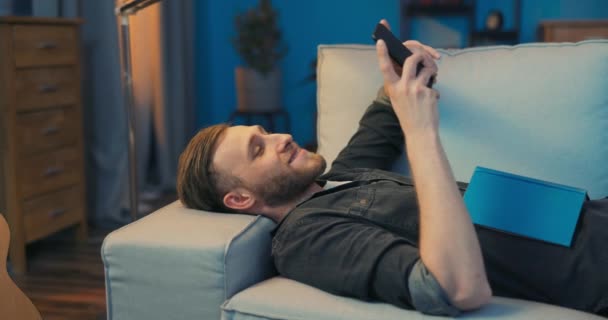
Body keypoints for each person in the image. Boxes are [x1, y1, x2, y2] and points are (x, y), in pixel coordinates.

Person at [176, 21, 608, 317]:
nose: (281, 138)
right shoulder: (306, 239)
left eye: (265, 132)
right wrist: (422, 131)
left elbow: (383, 115)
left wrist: (408, 70)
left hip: (589, 213)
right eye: (258, 150)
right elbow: (454, 288)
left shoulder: (337, 178)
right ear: (240, 199)